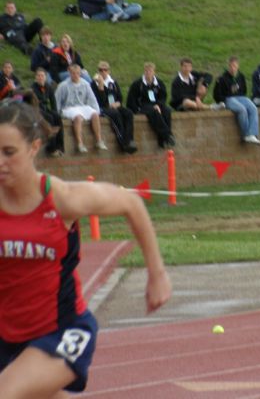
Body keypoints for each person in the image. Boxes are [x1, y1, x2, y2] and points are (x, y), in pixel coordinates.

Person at [0, 102, 171, 396]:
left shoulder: (62, 199)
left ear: (34, 147)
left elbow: (131, 203)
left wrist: (157, 274)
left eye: (8, 152)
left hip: (63, 331)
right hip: (7, 335)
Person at [55, 63, 108, 154]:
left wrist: (96, 110)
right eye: (73, 73)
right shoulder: (63, 85)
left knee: (94, 114)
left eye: (77, 73)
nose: (75, 75)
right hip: (69, 108)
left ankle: (99, 140)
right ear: (69, 73)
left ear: (80, 73)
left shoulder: (85, 84)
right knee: (78, 117)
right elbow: (57, 100)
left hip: (82, 106)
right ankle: (80, 144)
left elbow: (92, 98)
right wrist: (57, 112)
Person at [91, 61, 137, 154]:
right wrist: (101, 86)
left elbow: (120, 97)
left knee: (128, 113)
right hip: (102, 107)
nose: (103, 72)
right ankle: (123, 142)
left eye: (105, 70)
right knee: (115, 115)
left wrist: (118, 103)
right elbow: (101, 101)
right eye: (100, 70)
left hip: (114, 105)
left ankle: (129, 140)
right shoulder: (93, 84)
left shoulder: (113, 82)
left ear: (108, 71)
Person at [213, 56, 260, 145]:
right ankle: (246, 135)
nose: (233, 68)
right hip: (228, 99)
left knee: (253, 108)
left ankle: (252, 134)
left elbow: (244, 90)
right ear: (228, 66)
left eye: (234, 66)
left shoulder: (241, 76)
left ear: (238, 66)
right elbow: (216, 95)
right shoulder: (222, 78)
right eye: (231, 66)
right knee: (241, 109)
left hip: (240, 97)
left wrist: (240, 96)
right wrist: (223, 100)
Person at [127, 62, 175, 149]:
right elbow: (131, 99)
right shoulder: (138, 84)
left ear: (154, 72)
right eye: (146, 71)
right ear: (144, 72)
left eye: (150, 71)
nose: (148, 73)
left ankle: (163, 141)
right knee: (154, 112)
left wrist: (158, 105)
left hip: (156, 104)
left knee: (167, 111)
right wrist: (136, 110)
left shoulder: (159, 83)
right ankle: (168, 135)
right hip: (143, 106)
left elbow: (163, 97)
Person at [30, 67, 64, 157]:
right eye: (38, 76)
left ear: (45, 77)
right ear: (35, 77)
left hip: (45, 108)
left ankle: (60, 146)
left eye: (42, 76)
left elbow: (53, 101)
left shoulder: (48, 86)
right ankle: (51, 148)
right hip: (36, 109)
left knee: (57, 117)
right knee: (50, 119)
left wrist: (55, 111)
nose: (40, 78)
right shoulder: (32, 88)